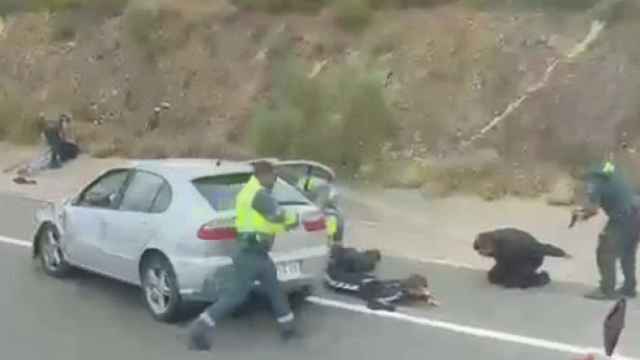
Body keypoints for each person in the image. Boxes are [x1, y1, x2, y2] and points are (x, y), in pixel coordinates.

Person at [187, 161, 300, 351]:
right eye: (273, 176)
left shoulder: (249, 192)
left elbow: (267, 223)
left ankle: (288, 327)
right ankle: (200, 327)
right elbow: (279, 215)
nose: (274, 180)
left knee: (274, 289)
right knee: (235, 296)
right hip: (250, 254)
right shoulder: (258, 194)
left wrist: (284, 225)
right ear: (263, 175)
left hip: (257, 252)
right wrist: (295, 219)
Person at [573, 160, 640, 300]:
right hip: (636, 209)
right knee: (627, 251)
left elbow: (593, 209)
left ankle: (606, 290)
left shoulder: (593, 180)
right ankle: (629, 287)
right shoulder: (608, 168)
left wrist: (580, 214)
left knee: (605, 251)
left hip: (624, 215)